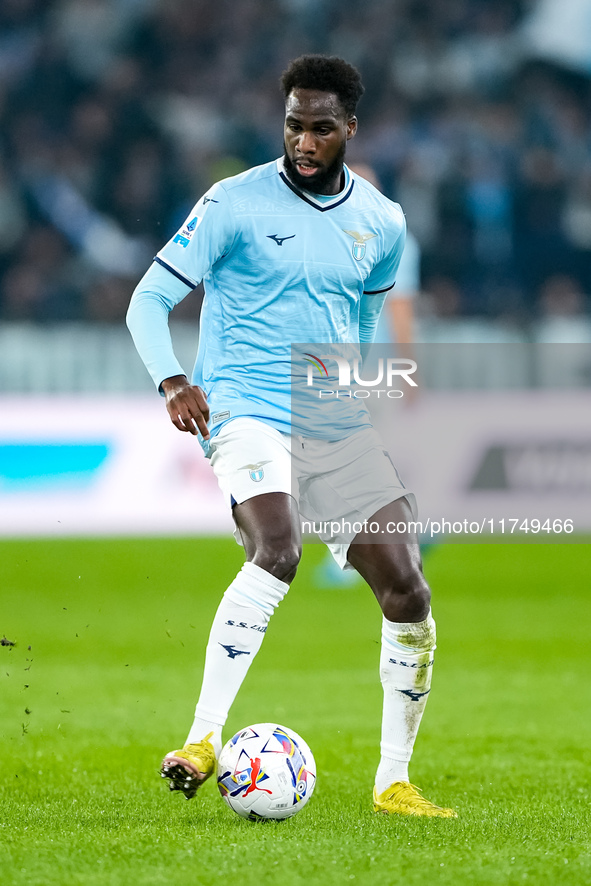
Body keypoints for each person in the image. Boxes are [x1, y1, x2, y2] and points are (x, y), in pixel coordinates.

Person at [126, 54, 456, 818]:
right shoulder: (232, 202)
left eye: (318, 128)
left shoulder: (382, 221)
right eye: (292, 125)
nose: (302, 142)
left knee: (407, 590)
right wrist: (174, 380)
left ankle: (393, 782)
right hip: (242, 406)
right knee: (278, 549)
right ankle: (203, 741)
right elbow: (150, 297)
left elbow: (364, 327)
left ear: (348, 129)